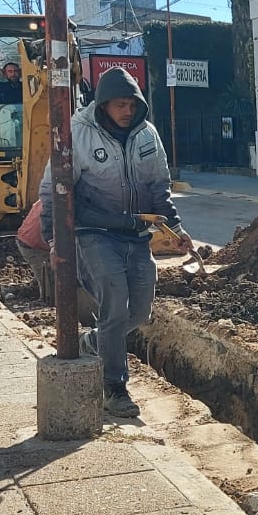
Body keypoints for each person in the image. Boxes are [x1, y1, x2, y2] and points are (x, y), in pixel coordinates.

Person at [40, 66, 185, 418]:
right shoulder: (77, 134)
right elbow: (53, 189)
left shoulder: (147, 135)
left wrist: (176, 228)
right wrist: (53, 236)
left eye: (132, 105)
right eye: (120, 105)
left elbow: (158, 186)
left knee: (138, 311)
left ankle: (93, 342)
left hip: (135, 235)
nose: (127, 112)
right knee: (115, 304)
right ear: (104, 104)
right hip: (94, 234)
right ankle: (114, 387)